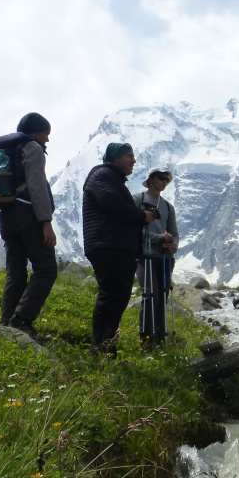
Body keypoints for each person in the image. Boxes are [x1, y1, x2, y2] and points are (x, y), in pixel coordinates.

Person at [82, 142, 156, 354]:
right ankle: (99, 346)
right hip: (107, 244)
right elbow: (112, 203)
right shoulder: (102, 175)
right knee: (111, 294)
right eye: (129, 156)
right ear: (116, 159)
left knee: (119, 295)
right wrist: (142, 215)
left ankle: (107, 344)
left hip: (116, 246)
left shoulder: (112, 179)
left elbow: (117, 206)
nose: (134, 160)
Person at [0, 112, 57, 338]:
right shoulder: (32, 148)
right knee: (46, 269)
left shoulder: (8, 149)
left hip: (7, 214)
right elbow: (37, 184)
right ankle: (21, 321)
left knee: (15, 272)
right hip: (27, 212)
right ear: (36, 132)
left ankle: (6, 324)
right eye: (45, 134)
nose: (47, 139)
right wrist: (46, 222)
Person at [134, 168, 179, 344]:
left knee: (163, 296)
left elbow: (174, 233)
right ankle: (145, 337)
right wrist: (160, 238)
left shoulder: (168, 206)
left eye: (167, 180)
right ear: (151, 178)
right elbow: (135, 230)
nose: (164, 182)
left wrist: (172, 246)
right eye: (161, 178)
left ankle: (159, 336)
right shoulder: (138, 200)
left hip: (165, 258)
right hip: (145, 256)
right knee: (150, 294)